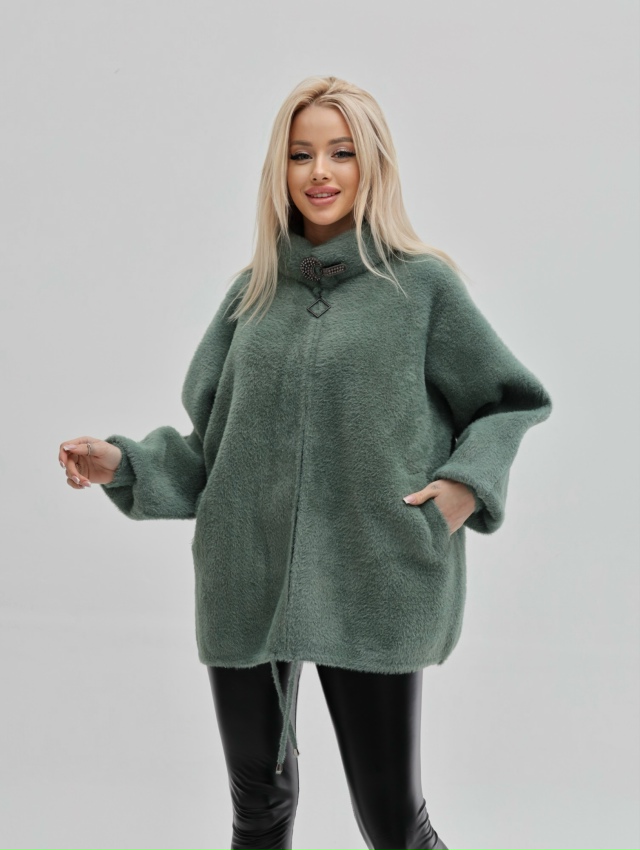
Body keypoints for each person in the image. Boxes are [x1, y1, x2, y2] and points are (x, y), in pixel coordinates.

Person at [58, 75, 553, 850]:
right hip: (246, 582)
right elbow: (209, 452)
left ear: (372, 163)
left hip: (374, 577)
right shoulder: (252, 296)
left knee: (392, 823)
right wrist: (121, 462)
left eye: (341, 152)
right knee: (259, 808)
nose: (319, 172)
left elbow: (510, 402)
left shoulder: (420, 287)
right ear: (279, 169)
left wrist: (463, 489)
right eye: (300, 154)